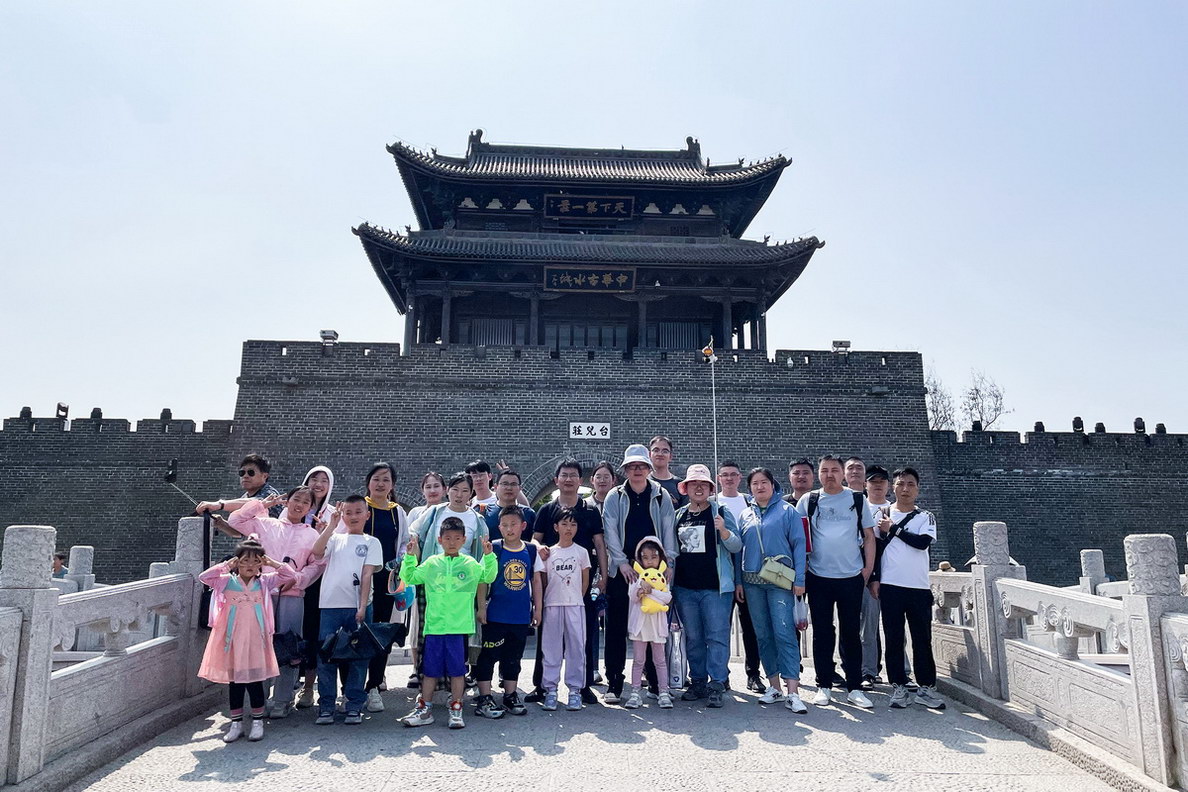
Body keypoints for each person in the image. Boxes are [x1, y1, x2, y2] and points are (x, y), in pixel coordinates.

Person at [226, 488, 322, 718]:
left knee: (289, 647)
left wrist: (297, 579)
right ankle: (259, 700)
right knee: (260, 645)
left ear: (310, 508)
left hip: (292, 595)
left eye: (305, 502)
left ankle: (282, 700)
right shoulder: (265, 524)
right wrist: (262, 505)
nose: (299, 504)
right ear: (287, 501)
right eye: (296, 499)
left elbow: (317, 564)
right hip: (261, 593)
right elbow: (235, 520)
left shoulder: (312, 535)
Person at [399, 518, 498, 729]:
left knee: (457, 671)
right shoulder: (432, 563)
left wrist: (489, 556)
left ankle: (456, 708)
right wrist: (410, 557)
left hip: (458, 629)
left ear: (464, 540)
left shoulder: (470, 564)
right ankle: (425, 710)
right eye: (447, 538)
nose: (452, 542)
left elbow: (488, 576)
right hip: (434, 628)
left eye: (456, 538)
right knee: (430, 671)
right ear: (439, 540)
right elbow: (410, 577)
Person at [197, 537, 296, 743]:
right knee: (235, 682)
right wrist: (227, 565)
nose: (250, 565)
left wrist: (272, 563)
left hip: (256, 638)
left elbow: (289, 575)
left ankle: (257, 722)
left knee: (255, 680)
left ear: (261, 563)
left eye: (255, 561)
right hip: (232, 638)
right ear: (237, 562)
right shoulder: (226, 581)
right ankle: (236, 724)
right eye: (245, 561)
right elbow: (204, 577)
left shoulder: (264, 582)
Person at [796, 455, 876, 708]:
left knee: (851, 632)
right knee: (822, 632)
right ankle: (824, 685)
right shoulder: (809, 500)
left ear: (843, 473)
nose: (829, 475)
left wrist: (868, 570)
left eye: (834, 470)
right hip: (818, 576)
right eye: (824, 471)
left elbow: (869, 536)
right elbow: (798, 538)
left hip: (851, 576)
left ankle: (855, 687)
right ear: (818, 474)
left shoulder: (857, 499)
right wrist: (801, 571)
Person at [601, 443, 677, 704]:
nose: (637, 470)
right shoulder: (615, 496)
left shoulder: (660, 495)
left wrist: (669, 563)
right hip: (623, 572)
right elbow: (610, 530)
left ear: (648, 468)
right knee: (616, 627)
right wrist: (621, 563)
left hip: (654, 572)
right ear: (625, 470)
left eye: (641, 466)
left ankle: (656, 683)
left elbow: (668, 529)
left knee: (653, 626)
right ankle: (615, 682)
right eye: (632, 466)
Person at [530, 459, 608, 705]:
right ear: (556, 480)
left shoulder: (590, 510)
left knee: (582, 636)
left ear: (580, 480)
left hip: (581, 583)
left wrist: (604, 576)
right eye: (564, 475)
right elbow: (534, 540)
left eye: (573, 475)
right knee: (547, 638)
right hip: (551, 582)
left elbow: (599, 544)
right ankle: (542, 686)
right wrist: (539, 547)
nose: (568, 479)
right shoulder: (546, 510)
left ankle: (582, 686)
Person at [737, 468, 808, 714]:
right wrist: (738, 582)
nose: (760, 487)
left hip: (780, 582)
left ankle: (793, 691)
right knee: (763, 635)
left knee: (784, 633)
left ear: (773, 484)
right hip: (752, 583)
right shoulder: (745, 514)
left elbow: (799, 545)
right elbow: (739, 551)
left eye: (764, 482)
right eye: (755, 483)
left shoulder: (788, 511)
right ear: (749, 488)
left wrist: (800, 579)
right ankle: (774, 687)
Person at [309, 495, 383, 726]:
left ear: (367, 515)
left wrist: (362, 606)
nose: (353, 517)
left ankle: (353, 705)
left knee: (359, 658)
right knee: (326, 656)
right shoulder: (335, 538)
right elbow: (316, 551)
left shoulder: (372, 542)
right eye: (348, 513)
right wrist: (331, 526)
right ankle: (326, 706)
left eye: (358, 512)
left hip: (358, 607)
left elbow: (367, 574)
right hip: (330, 606)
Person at [671, 465, 741, 708]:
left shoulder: (720, 512)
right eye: (693, 483)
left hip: (715, 588)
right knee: (694, 638)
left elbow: (736, 546)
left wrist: (723, 530)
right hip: (685, 588)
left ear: (711, 488)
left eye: (703, 484)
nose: (698, 488)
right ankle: (698, 681)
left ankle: (717, 682)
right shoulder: (678, 515)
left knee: (717, 636)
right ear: (686, 488)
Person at [876, 467, 945, 710]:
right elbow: (874, 548)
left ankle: (926, 687)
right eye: (900, 484)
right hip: (890, 585)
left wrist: (894, 529)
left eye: (910, 484)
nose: (905, 489)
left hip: (918, 586)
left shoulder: (926, 516)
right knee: (894, 638)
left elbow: (922, 543)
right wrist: (874, 579)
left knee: (922, 639)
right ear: (893, 487)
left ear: (917, 489)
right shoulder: (882, 513)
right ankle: (898, 687)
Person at [473, 506, 543, 718]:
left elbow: (536, 581)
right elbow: (483, 579)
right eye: (505, 525)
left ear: (523, 526)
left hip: (520, 615)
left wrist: (538, 609)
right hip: (496, 614)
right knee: (488, 656)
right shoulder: (493, 548)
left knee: (513, 657)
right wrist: (481, 607)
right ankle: (485, 697)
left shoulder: (530, 550)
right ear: (499, 527)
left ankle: (510, 695)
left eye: (513, 524)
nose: (509, 529)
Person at [280, 466, 335, 709]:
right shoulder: (290, 510)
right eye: (314, 478)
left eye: (324, 480)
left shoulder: (333, 514)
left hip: (317, 583)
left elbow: (333, 550)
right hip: (286, 583)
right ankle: (284, 687)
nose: (318, 484)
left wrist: (325, 534)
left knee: (312, 633)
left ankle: (309, 686)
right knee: (287, 634)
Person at [360, 462, 410, 711]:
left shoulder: (396, 512)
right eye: (376, 478)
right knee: (358, 630)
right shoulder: (359, 507)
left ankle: (374, 686)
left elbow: (404, 543)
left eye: (386, 480)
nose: (381, 484)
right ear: (368, 482)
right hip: (358, 578)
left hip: (385, 580)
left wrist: (398, 562)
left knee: (380, 630)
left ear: (392, 485)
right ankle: (352, 687)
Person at [860, 466, 912, 690]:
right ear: (866, 485)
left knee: (897, 628)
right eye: (873, 481)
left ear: (888, 486)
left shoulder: (896, 510)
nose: (877, 485)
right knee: (868, 627)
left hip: (894, 576)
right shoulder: (860, 508)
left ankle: (903, 672)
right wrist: (869, 574)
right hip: (868, 575)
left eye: (882, 481)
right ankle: (868, 671)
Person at [536, 508, 592, 711]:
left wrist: (576, 597)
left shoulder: (582, 552)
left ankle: (575, 690)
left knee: (576, 648)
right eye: (565, 524)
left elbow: (585, 581)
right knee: (551, 649)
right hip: (552, 604)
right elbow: (543, 581)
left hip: (575, 605)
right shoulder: (548, 553)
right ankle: (551, 690)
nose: (569, 528)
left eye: (573, 525)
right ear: (556, 527)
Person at [716, 460, 761, 692]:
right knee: (720, 628)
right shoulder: (713, 503)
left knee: (750, 627)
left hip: (747, 574)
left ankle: (753, 674)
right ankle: (720, 675)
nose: (729, 479)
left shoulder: (750, 503)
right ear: (718, 479)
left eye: (733, 474)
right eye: (725, 475)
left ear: (740, 477)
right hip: (721, 575)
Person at [404, 471, 446, 687]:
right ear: (422, 491)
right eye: (428, 486)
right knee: (417, 624)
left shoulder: (448, 511)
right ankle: (416, 668)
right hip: (422, 575)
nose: (432, 490)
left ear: (444, 489)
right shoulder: (416, 513)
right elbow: (409, 539)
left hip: (445, 577)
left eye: (436, 486)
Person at [625, 536, 673, 709]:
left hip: (657, 626)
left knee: (660, 660)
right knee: (638, 660)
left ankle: (664, 692)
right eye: (645, 557)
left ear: (660, 558)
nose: (650, 561)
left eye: (653, 557)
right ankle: (635, 692)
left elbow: (666, 597)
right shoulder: (636, 577)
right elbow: (632, 597)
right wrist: (640, 589)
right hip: (640, 627)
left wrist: (651, 591)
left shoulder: (663, 578)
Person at [195, 454, 283, 521]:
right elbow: (240, 532)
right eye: (242, 473)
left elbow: (256, 503)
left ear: (265, 476)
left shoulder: (270, 494)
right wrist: (221, 523)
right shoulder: (244, 498)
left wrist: (219, 504)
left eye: (251, 472)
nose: (245, 476)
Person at [479, 469, 536, 539]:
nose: (509, 488)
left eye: (513, 484)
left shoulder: (529, 514)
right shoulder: (484, 512)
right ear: (496, 487)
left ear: (520, 488)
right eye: (505, 484)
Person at [649, 435, 687, 508]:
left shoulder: (680, 485)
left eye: (665, 451)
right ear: (650, 454)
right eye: (656, 450)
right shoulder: (643, 482)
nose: (660, 454)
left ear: (670, 456)